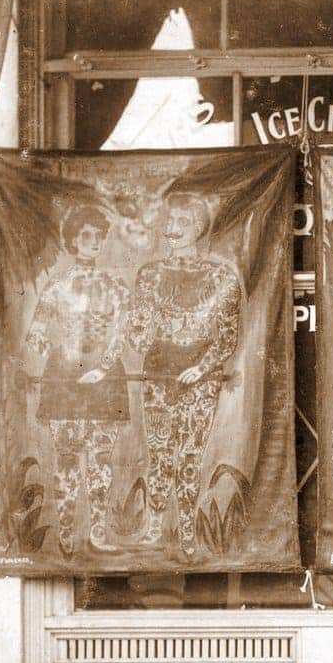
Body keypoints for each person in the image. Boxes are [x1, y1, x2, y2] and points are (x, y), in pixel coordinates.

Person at [126, 192, 243, 556]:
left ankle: (188, 532)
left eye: (181, 222)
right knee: (160, 454)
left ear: (197, 228)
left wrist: (202, 368)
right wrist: (134, 329)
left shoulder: (220, 276)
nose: (171, 229)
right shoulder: (150, 275)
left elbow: (227, 336)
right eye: (170, 221)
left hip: (199, 380)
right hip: (159, 373)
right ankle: (156, 529)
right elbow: (138, 332)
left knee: (190, 456)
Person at [26, 203, 130, 556]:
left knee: (101, 459)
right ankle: (67, 534)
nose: (94, 241)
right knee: (66, 460)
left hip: (105, 379)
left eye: (99, 236)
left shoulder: (115, 286)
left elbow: (124, 330)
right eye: (86, 236)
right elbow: (37, 329)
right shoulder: (58, 286)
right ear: (72, 241)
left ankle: (98, 534)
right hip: (64, 380)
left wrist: (103, 365)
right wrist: (41, 347)